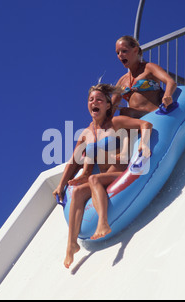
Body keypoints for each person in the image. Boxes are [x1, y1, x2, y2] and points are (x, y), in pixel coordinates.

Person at [53, 84, 153, 269]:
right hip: (104, 178)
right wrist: (60, 185)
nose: (94, 103)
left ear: (107, 105)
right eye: (91, 100)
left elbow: (145, 124)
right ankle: (72, 245)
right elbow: (73, 161)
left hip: (121, 172)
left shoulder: (116, 123)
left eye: (99, 99)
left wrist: (144, 144)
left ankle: (103, 223)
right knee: (78, 193)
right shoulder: (85, 134)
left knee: (93, 179)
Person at [112, 35, 177, 118]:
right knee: (119, 119)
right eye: (118, 53)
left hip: (154, 116)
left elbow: (170, 82)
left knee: (125, 112)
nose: (120, 55)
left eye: (124, 51)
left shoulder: (149, 68)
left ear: (135, 50)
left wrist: (167, 96)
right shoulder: (122, 81)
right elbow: (111, 107)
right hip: (134, 120)